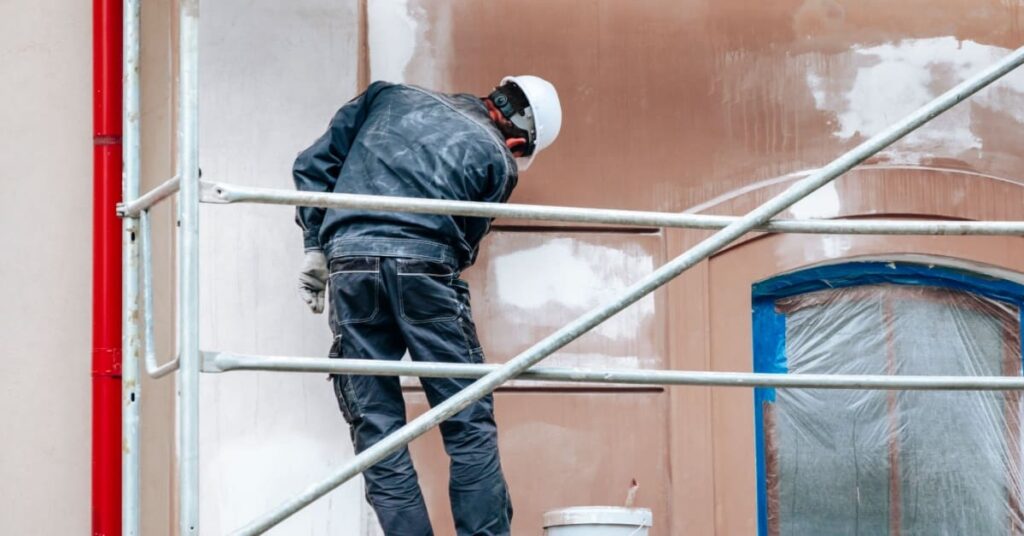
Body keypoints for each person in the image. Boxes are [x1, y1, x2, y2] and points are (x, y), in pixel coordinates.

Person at [292, 76, 562, 536]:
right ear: (516, 141)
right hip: (427, 267)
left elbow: (314, 165)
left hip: (351, 265)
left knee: (378, 428)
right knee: (466, 419)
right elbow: (464, 243)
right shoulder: (498, 160)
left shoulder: (387, 96)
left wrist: (316, 245)